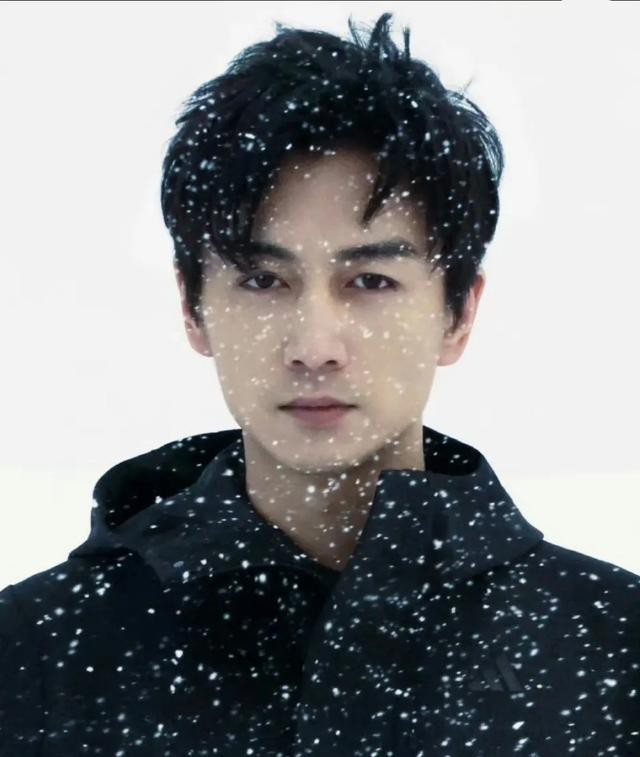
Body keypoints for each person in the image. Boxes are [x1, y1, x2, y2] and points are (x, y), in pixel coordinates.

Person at [1, 12, 638, 757]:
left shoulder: (614, 649)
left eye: (371, 280)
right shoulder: (34, 655)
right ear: (193, 308)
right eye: (262, 279)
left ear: (459, 313)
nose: (314, 348)